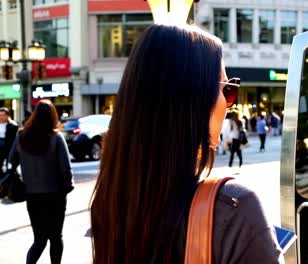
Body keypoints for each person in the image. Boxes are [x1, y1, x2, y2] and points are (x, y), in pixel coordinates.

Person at [90, 24, 282, 264]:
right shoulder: (234, 210)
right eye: (228, 90)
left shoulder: (111, 199)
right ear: (193, 101)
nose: (229, 103)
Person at [9, 100, 73, 264]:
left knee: (39, 240)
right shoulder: (56, 137)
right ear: (53, 116)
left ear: (34, 115)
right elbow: (66, 168)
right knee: (56, 237)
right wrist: (67, 186)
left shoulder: (21, 136)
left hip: (32, 195)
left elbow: (11, 161)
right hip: (55, 195)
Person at [0, 107, 18, 173]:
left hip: (8, 147)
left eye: (3, 115)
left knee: (9, 165)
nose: (1, 117)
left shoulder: (13, 125)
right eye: (0, 115)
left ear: (7, 116)